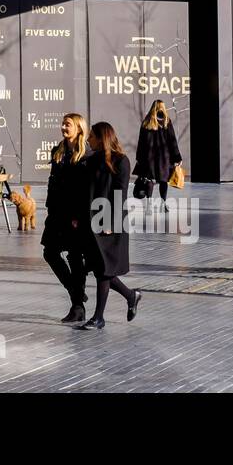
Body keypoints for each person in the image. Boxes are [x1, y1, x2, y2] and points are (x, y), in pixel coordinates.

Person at [77, 121, 140, 330]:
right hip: (90, 220)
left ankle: (98, 317)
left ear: (102, 137)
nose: (88, 140)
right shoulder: (90, 160)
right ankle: (132, 296)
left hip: (110, 223)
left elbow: (120, 195)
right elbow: (85, 192)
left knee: (104, 270)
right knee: (100, 269)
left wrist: (111, 222)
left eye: (92, 136)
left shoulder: (121, 161)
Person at [42, 113, 91, 324]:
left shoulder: (87, 154)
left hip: (76, 215)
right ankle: (76, 294)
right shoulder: (58, 151)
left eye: (68, 124)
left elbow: (85, 189)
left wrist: (79, 215)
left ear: (78, 128)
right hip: (56, 212)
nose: (63, 127)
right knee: (50, 252)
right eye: (63, 124)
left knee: (75, 257)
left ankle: (77, 307)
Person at [133, 99, 182, 210]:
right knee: (163, 181)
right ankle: (163, 203)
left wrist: (139, 158)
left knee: (149, 180)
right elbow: (172, 141)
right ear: (163, 108)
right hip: (164, 159)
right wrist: (177, 157)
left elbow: (141, 142)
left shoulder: (146, 122)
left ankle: (149, 204)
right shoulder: (166, 122)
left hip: (148, 158)